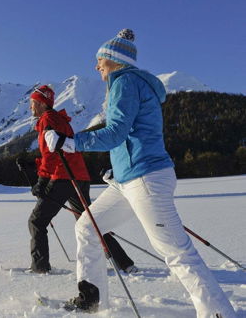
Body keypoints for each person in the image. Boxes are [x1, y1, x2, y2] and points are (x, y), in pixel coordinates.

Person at [45, 29, 237, 317]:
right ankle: (91, 298)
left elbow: (116, 132)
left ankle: (217, 313)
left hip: (146, 178)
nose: (96, 66)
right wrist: (117, 168)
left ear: (113, 60)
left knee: (176, 251)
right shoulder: (127, 84)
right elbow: (130, 135)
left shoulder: (125, 82)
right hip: (129, 180)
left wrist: (70, 142)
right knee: (87, 226)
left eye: (100, 60)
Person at [28, 84, 137, 275]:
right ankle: (124, 262)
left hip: (63, 177)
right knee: (90, 222)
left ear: (43, 104)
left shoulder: (48, 119)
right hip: (78, 177)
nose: (31, 107)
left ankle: (40, 268)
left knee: (37, 221)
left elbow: (51, 154)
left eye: (34, 103)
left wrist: (42, 181)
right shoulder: (58, 119)